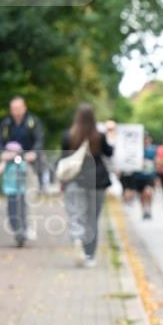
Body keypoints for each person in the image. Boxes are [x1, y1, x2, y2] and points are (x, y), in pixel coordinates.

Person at [60, 105, 115, 267]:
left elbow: (63, 159)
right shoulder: (99, 136)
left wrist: (62, 183)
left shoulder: (68, 136)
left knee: (76, 214)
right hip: (97, 182)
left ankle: (77, 237)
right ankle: (89, 255)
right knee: (92, 219)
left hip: (75, 180)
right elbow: (109, 153)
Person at [0, 96, 44, 241]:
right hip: (11, 165)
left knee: (28, 197)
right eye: (13, 109)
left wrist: (33, 153)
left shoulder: (33, 122)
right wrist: (3, 154)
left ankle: (28, 227)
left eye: (18, 108)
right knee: (12, 196)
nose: (16, 112)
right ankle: (17, 228)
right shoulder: (6, 124)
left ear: (24, 108)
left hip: (29, 164)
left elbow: (39, 140)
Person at [0, 141, 29, 247]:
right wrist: (4, 160)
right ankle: (16, 231)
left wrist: (21, 161)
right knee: (12, 213)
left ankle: (22, 232)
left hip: (21, 192)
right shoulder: (6, 164)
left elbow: (26, 172)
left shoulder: (21, 163)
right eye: (10, 152)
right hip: (10, 192)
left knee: (22, 212)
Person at [134, 133, 157, 220]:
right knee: (141, 195)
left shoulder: (154, 149)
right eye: (144, 139)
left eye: (147, 139)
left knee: (148, 192)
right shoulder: (137, 150)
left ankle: (149, 209)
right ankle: (144, 210)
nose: (146, 140)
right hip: (139, 176)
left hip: (150, 175)